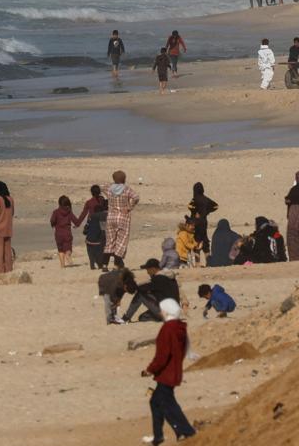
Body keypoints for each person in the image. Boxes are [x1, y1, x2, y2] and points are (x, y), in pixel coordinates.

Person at [141, 299, 197, 444]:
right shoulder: (179, 327)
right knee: (156, 401)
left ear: (166, 311)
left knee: (167, 403)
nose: (160, 312)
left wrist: (150, 370)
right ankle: (159, 435)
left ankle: (186, 431)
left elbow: (163, 355)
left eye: (161, 310)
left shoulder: (168, 329)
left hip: (166, 373)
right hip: (174, 370)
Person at [104, 171, 140, 268]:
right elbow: (136, 197)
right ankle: (116, 264)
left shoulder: (109, 188)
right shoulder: (126, 189)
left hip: (111, 217)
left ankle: (104, 265)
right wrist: (129, 207)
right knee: (121, 241)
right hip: (123, 217)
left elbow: (102, 187)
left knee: (110, 241)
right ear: (124, 179)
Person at [49, 195, 83, 267]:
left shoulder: (56, 212)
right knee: (68, 248)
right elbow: (76, 221)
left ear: (59, 203)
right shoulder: (69, 212)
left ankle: (62, 265)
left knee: (60, 249)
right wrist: (77, 225)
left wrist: (53, 225)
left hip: (58, 234)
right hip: (67, 233)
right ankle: (68, 255)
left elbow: (52, 221)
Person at [187, 182, 217, 259]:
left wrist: (195, 212)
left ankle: (197, 262)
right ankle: (208, 260)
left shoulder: (195, 199)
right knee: (204, 239)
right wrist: (207, 212)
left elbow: (189, 206)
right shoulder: (206, 199)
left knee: (197, 241)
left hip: (196, 222)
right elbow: (216, 206)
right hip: (204, 221)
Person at [82, 188, 109, 270]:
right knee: (99, 254)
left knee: (91, 254)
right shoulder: (102, 217)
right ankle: (100, 265)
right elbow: (103, 230)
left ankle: (92, 264)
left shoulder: (91, 217)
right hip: (97, 241)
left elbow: (85, 228)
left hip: (88, 240)